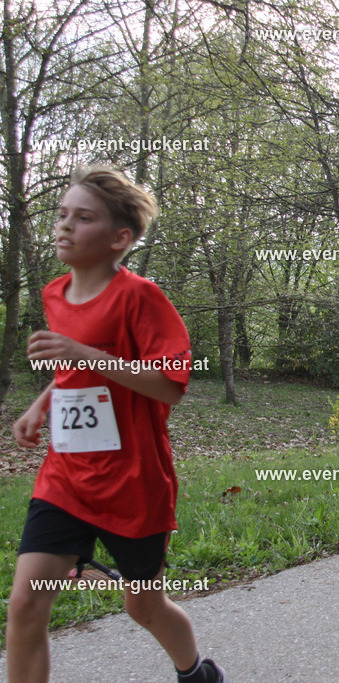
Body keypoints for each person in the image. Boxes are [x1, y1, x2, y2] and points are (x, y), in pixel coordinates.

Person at [7, 166, 224, 683]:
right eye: (61, 214)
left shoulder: (140, 298)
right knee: (25, 605)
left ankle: (196, 673)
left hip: (133, 483)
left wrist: (81, 351)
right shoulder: (56, 295)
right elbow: (75, 370)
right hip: (66, 478)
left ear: (119, 238)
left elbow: (170, 384)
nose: (64, 226)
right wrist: (42, 403)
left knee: (143, 606)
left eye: (83, 218)